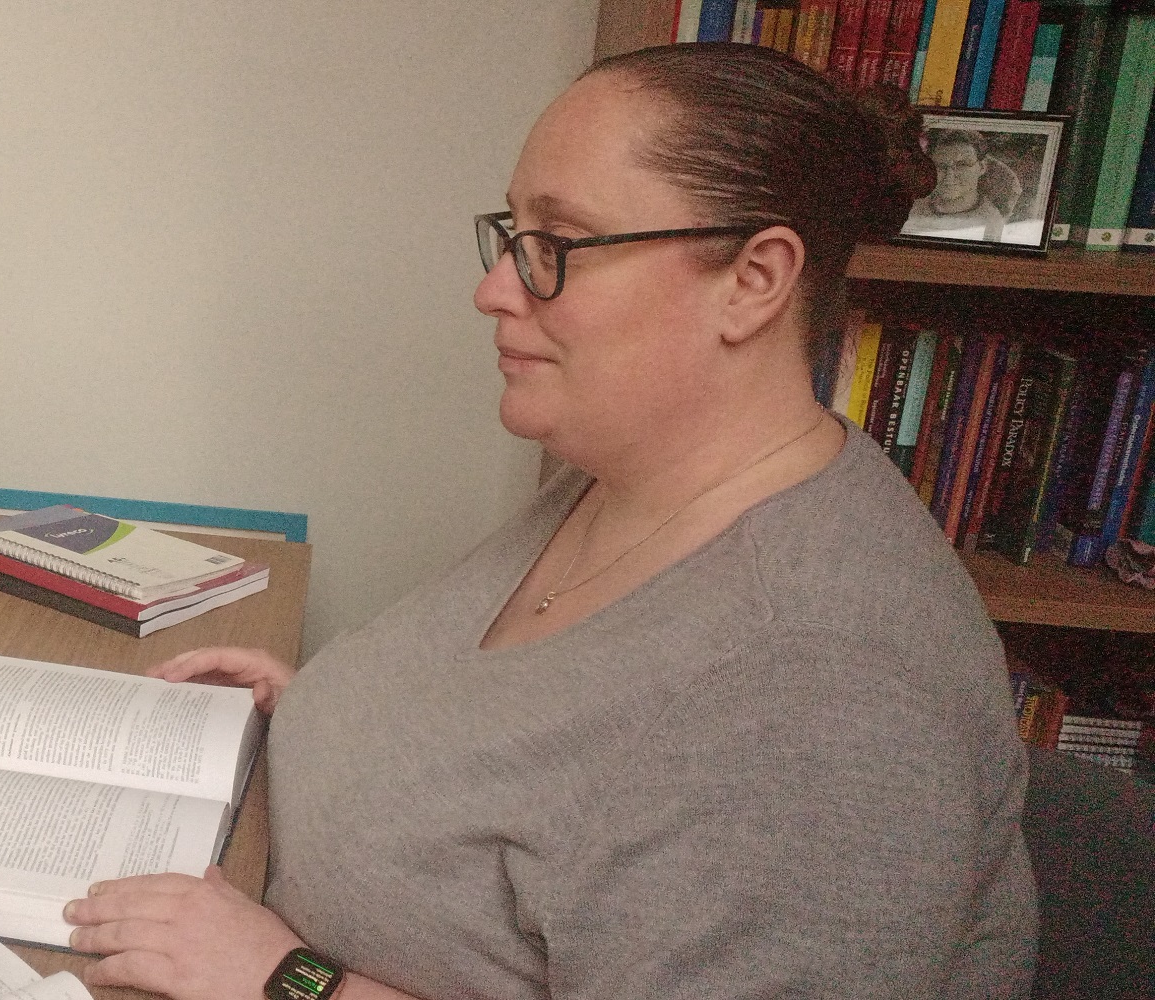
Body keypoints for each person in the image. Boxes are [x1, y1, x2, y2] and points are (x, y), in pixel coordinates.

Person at [61, 43, 1036, 1000]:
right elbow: (549, 740)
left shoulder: (817, 688)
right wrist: (326, 718)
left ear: (752, 280)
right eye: (512, 234)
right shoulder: (627, 476)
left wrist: (287, 980)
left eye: (558, 246)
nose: (495, 288)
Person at [905, 128, 1021, 242]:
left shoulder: (990, 224)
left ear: (982, 167)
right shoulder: (910, 207)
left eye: (962, 165)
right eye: (940, 166)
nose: (949, 175)